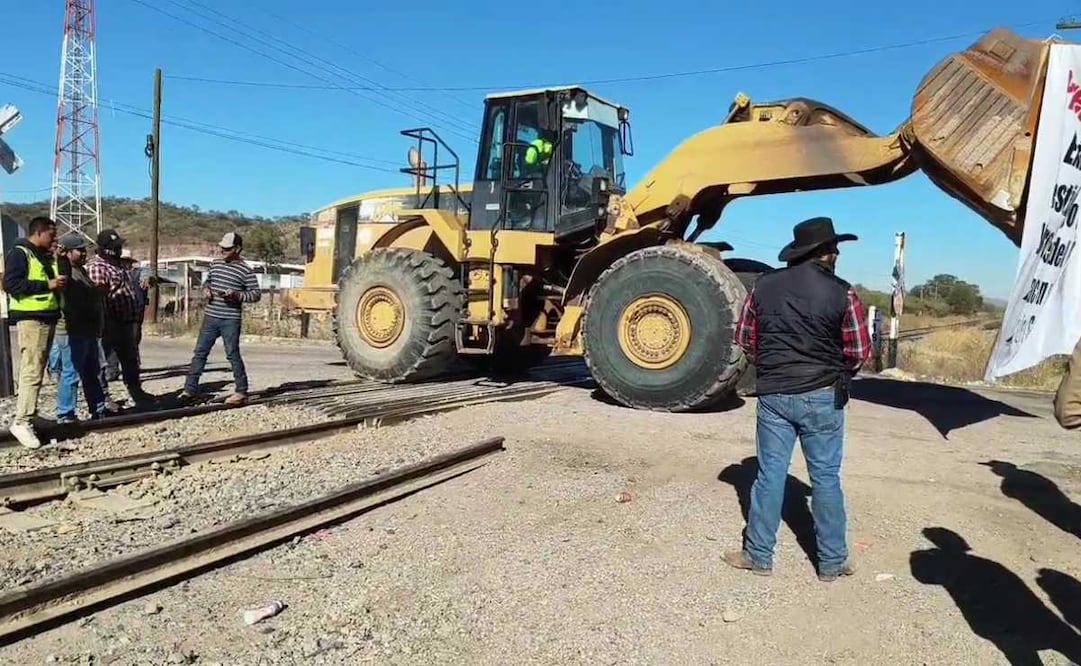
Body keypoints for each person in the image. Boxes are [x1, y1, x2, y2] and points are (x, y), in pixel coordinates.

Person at [722, 216, 871, 583]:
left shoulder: (763, 286)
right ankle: (832, 562)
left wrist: (772, 366)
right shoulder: (843, 292)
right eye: (834, 249)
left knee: (770, 474)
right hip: (823, 395)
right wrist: (835, 372)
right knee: (825, 477)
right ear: (825, 253)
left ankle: (758, 555)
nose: (837, 254)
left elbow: (745, 338)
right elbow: (858, 352)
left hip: (774, 395)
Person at [2, 216, 65, 448]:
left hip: (46, 316)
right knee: (31, 370)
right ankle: (22, 421)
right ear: (38, 232)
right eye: (51, 234)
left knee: (37, 370)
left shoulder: (42, 255)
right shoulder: (21, 253)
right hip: (32, 319)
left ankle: (31, 413)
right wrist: (47, 285)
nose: (54, 238)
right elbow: (11, 284)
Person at [180, 232, 261, 405]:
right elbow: (207, 281)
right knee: (200, 353)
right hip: (211, 316)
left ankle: (241, 391)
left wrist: (236, 295)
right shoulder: (215, 264)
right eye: (222, 247)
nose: (223, 251)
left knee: (232, 354)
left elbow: (255, 294)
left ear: (237, 249)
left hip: (230, 319)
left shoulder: (246, 270)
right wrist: (206, 289)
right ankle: (189, 390)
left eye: (227, 248)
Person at [86, 228, 152, 405]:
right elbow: (97, 298)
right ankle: (103, 398)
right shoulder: (97, 267)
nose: (119, 250)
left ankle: (136, 392)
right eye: (115, 247)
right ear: (107, 249)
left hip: (126, 322)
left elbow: (141, 272)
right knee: (103, 362)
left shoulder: (118, 265)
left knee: (130, 359)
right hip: (108, 322)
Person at [51, 233, 111, 423]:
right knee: (71, 373)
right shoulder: (65, 271)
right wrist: (60, 258)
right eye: (79, 250)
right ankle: (66, 413)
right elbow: (67, 285)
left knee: (91, 372)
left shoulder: (81, 271)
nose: (84, 253)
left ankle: (98, 408)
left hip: (87, 330)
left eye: (84, 250)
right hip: (72, 330)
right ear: (68, 252)